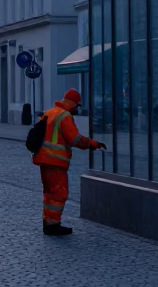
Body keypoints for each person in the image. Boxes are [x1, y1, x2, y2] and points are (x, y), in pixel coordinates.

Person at [33, 88, 105, 237]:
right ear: (73, 103)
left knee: (49, 193)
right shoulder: (64, 116)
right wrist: (92, 143)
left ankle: (48, 222)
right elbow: (75, 139)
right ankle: (53, 225)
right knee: (59, 193)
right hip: (55, 162)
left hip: (44, 160)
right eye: (77, 105)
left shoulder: (49, 112)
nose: (77, 109)